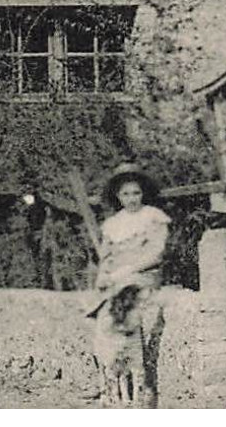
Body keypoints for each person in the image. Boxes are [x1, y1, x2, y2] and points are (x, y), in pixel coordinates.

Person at [89, 162, 171, 407]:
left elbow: (157, 253)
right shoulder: (113, 224)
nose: (131, 198)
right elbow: (106, 258)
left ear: (143, 192)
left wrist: (127, 270)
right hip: (117, 279)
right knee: (102, 315)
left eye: (136, 192)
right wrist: (103, 278)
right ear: (118, 196)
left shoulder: (153, 217)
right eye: (125, 194)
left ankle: (143, 387)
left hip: (144, 276)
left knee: (127, 309)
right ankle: (110, 384)